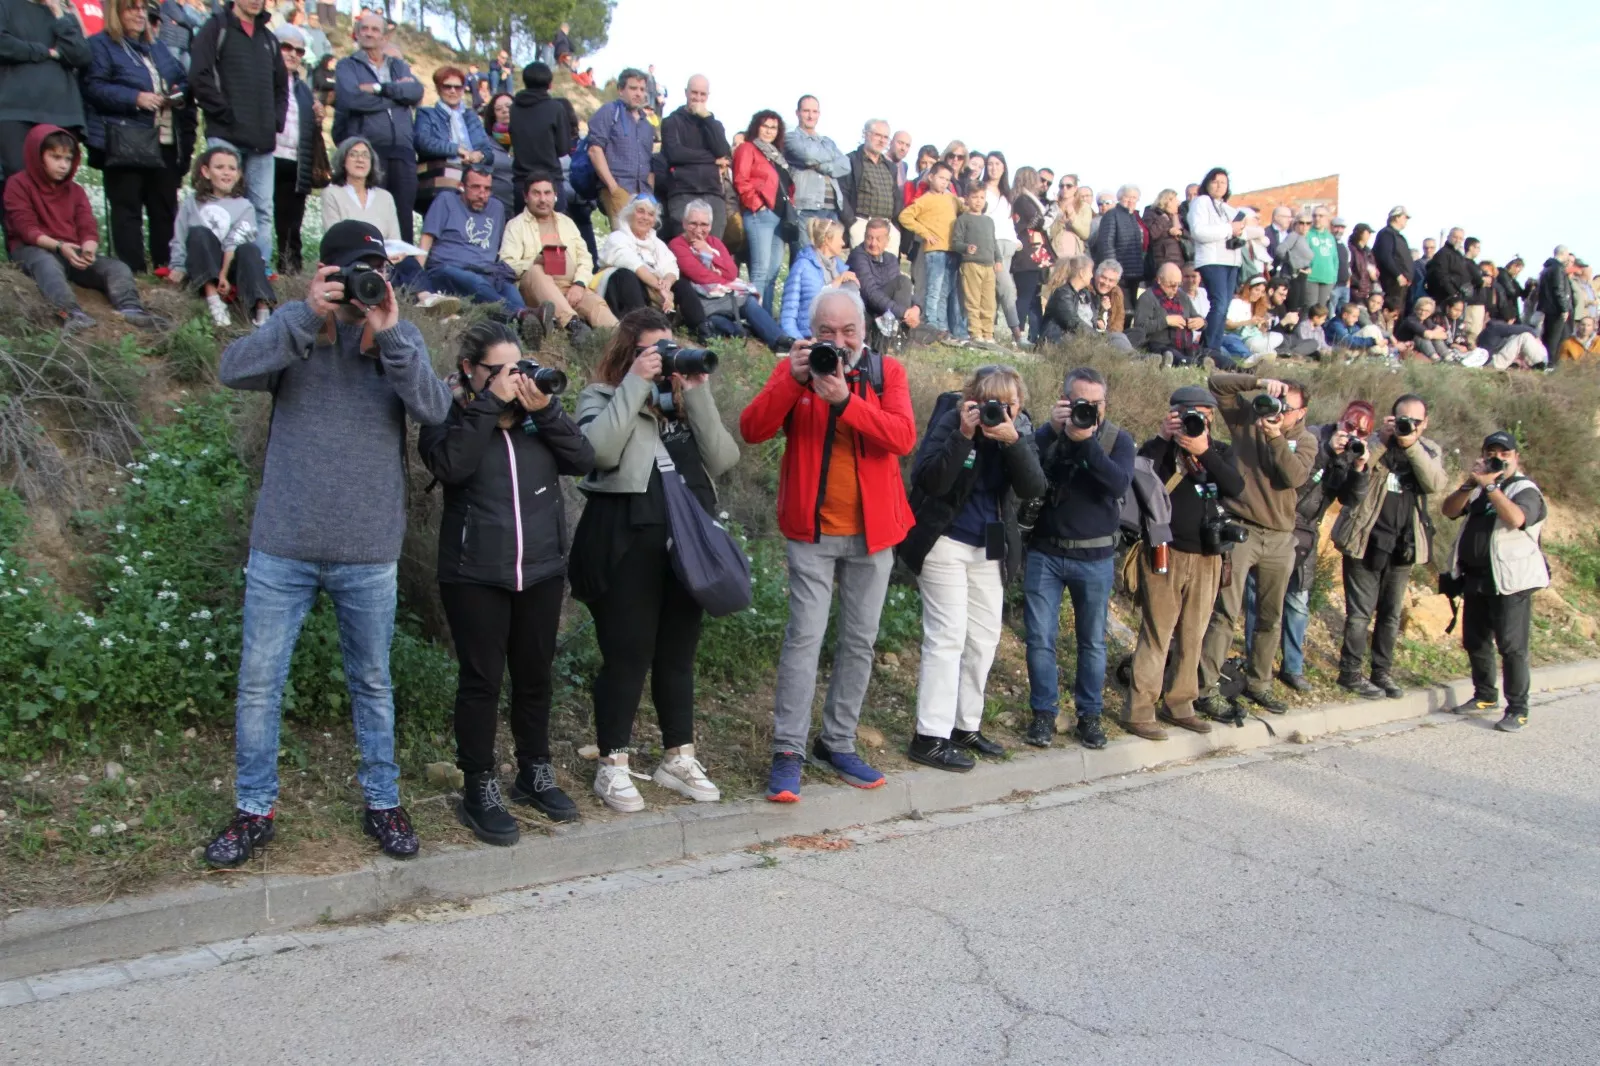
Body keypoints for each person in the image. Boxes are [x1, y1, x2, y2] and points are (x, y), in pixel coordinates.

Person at [203, 219, 452, 867]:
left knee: (371, 682)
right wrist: (301, 314)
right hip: (283, 544)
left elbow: (434, 409)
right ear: (328, 273)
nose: (371, 282)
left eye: (380, 271)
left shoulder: (396, 339)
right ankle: (254, 810)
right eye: (358, 271)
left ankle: (382, 801)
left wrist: (392, 330)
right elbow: (232, 369)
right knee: (260, 684)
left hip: (367, 549)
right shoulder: (296, 328)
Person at [418, 321, 593, 843]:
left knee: (535, 676)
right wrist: (487, 405)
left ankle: (533, 772)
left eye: (518, 368)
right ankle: (480, 785)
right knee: (482, 682)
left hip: (539, 569)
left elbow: (584, 460)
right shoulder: (446, 414)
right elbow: (451, 466)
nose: (513, 380)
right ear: (471, 371)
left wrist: (547, 410)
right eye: (500, 372)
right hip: (475, 573)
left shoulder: (534, 418)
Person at [739, 289, 916, 802]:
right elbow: (752, 430)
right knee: (804, 639)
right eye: (826, 333)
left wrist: (846, 402)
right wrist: (793, 384)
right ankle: (788, 750)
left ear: (863, 332)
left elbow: (902, 437)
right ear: (812, 332)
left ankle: (836, 742)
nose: (837, 343)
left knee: (859, 641)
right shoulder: (795, 373)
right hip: (812, 532)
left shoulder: (887, 374)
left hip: (873, 533)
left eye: (847, 333)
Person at [570, 308, 741, 811]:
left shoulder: (682, 403)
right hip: (626, 542)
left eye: (670, 347)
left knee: (677, 654)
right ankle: (613, 764)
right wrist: (634, 386)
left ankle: (677, 756)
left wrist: (698, 390)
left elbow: (724, 458)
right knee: (628, 653)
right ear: (630, 354)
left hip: (687, 545)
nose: (666, 358)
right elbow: (597, 451)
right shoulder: (600, 397)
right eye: (655, 350)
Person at [898, 365, 1046, 769]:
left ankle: (965, 725)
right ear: (973, 398)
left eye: (1009, 405)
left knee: (983, 639)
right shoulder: (952, 416)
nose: (998, 411)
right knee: (947, 638)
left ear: (1019, 405)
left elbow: (1034, 488)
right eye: (989, 403)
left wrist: (1013, 441)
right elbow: (928, 480)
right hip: (944, 540)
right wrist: (964, 436)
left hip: (989, 546)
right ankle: (929, 735)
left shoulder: (1021, 428)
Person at [1021, 366, 1135, 750]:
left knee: (1092, 643)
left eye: (1095, 403)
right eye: (1079, 402)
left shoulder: (1119, 439)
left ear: (1105, 404)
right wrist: (1050, 432)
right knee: (1039, 638)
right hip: (1045, 552)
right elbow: (1026, 471)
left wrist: (1085, 441)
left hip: (1096, 556)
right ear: (1064, 400)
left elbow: (1117, 483)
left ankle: (1090, 715)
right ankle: (1043, 715)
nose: (1088, 409)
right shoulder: (1049, 433)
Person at [1124, 385, 1244, 740]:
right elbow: (1140, 478)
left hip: (1207, 558)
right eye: (1188, 415)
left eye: (1203, 416)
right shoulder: (1157, 451)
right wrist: (1164, 439)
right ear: (1173, 416)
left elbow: (1234, 486)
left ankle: (1181, 704)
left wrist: (1204, 452)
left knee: (1193, 635)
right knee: (1157, 633)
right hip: (1165, 552)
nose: (1195, 422)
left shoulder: (1218, 451)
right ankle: (1139, 710)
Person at [1195, 374, 1315, 720]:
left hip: (1279, 537)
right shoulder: (1248, 418)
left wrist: (1276, 437)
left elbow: (1293, 477)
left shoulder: (1305, 441)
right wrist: (1258, 381)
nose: (1276, 410)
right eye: (1276, 401)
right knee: (1224, 614)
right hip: (1241, 528)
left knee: (1269, 617)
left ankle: (1259, 683)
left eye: (1286, 407)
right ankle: (1207, 687)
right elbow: (1217, 385)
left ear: (1301, 413)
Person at [1328, 395, 1447, 700]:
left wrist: (1411, 445)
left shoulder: (1429, 450)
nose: (1409, 426)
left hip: (1403, 545)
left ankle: (1382, 671)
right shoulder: (1375, 444)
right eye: (1402, 420)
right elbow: (1358, 468)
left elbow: (1434, 483)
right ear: (1390, 419)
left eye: (1415, 422)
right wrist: (1383, 439)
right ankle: (1350, 673)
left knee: (1390, 615)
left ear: (1425, 424)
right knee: (1359, 615)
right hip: (1364, 538)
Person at [4, 123, 162, 331]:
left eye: (68, 159)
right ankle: (71, 313)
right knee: (47, 265)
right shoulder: (18, 184)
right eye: (56, 157)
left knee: (117, 267)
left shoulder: (75, 191)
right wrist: (61, 247)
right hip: (32, 250)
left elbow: (86, 224)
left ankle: (131, 310)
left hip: (72, 252)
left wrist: (88, 247)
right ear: (37, 155)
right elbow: (27, 229)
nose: (63, 165)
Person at [1441, 432, 1550, 732]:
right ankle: (1485, 696)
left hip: (1511, 581)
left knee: (1512, 646)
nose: (1498, 458)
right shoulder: (1478, 487)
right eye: (1492, 452)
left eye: (1505, 454)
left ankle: (1518, 708)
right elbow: (1449, 510)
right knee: (1475, 640)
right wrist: (1469, 483)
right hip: (1477, 577)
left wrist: (1491, 486)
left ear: (1516, 457)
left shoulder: (1525, 490)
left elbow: (1516, 519)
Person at [81, 0, 192, 274]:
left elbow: (183, 79)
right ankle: (132, 272)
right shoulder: (101, 45)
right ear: (116, 13)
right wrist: (135, 98)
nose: (141, 14)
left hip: (163, 139)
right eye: (132, 8)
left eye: (144, 9)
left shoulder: (157, 48)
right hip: (125, 138)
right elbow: (93, 87)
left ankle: (164, 270)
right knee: (127, 209)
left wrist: (177, 93)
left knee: (164, 208)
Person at [188, 0, 286, 267]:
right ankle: (214, 270)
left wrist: (275, 121)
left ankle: (260, 270)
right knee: (219, 204)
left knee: (262, 210)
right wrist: (225, 113)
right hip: (226, 137)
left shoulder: (269, 39)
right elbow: (199, 75)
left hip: (263, 142)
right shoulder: (215, 28)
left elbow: (281, 87)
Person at [332, 12, 422, 242]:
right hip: (370, 149)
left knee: (403, 214)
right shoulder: (347, 65)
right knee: (371, 213)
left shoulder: (399, 66)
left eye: (375, 29)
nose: (369, 33)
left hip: (402, 149)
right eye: (365, 29)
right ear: (357, 33)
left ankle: (404, 269)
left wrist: (378, 89)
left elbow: (416, 92)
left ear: (384, 37)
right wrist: (397, 95)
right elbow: (350, 99)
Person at [499, 171, 617, 341]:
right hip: (536, 288)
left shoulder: (566, 222)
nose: (542, 199)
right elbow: (506, 265)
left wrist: (579, 284)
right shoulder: (515, 226)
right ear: (526, 197)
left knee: (597, 308)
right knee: (535, 270)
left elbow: (585, 257)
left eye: (547, 193)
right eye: (536, 193)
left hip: (570, 287)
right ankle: (573, 325)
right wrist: (536, 260)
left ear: (555, 196)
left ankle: (624, 342)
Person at [167, 144, 275, 327]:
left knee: (250, 249)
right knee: (198, 232)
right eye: (219, 167)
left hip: (231, 262)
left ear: (239, 174)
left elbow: (235, 241)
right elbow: (180, 235)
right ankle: (214, 300)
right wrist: (177, 265)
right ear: (206, 172)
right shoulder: (192, 203)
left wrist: (224, 274)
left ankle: (262, 311)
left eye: (232, 168)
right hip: (203, 261)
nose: (226, 173)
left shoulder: (245, 206)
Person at [668, 198, 793, 349]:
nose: (698, 229)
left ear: (711, 225)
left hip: (728, 296)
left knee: (749, 302)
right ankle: (747, 332)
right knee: (720, 322)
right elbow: (699, 276)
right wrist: (722, 276)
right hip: (703, 301)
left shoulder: (714, 243)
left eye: (704, 224)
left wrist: (709, 253)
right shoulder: (677, 245)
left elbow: (732, 272)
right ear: (684, 223)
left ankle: (779, 339)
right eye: (693, 223)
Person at [419, 166, 533, 322]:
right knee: (476, 283)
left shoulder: (496, 208)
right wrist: (418, 278)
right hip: (448, 268)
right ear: (462, 187)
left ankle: (522, 321)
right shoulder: (446, 200)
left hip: (488, 273)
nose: (482, 194)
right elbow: (426, 238)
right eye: (475, 187)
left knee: (511, 293)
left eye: (487, 189)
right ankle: (522, 316)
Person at [0, 0, 89, 190]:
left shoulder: (63, 15)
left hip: (61, 112)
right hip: (15, 111)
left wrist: (58, 12)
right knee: (18, 182)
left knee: (55, 187)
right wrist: (46, 52)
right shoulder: (6, 5)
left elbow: (81, 55)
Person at [268, 24, 320, 275]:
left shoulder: (304, 90)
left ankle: (290, 274)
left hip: (296, 163)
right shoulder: (263, 79)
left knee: (291, 225)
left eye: (299, 51)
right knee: (262, 217)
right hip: (267, 156)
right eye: (286, 47)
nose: (292, 54)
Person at [413, 65, 492, 220]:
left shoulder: (471, 116)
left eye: (458, 87)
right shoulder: (427, 114)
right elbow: (422, 142)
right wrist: (455, 149)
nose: (453, 91)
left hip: (471, 182)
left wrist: (479, 155)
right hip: (439, 184)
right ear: (438, 88)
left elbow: (488, 152)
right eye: (447, 86)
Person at [659, 73, 730, 240]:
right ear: (686, 92)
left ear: (708, 96)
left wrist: (707, 119)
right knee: (685, 247)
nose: (698, 98)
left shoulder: (714, 125)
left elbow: (722, 151)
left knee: (712, 248)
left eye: (702, 94)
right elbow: (675, 154)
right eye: (694, 92)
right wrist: (712, 159)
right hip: (683, 191)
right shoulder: (671, 122)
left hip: (712, 192)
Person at [730, 109, 788, 310]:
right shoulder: (747, 148)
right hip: (760, 215)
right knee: (760, 271)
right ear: (756, 126)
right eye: (765, 126)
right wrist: (757, 205)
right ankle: (754, 317)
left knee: (773, 271)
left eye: (774, 127)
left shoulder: (776, 155)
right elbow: (741, 180)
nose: (769, 131)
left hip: (779, 216)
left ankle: (767, 318)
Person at [1188, 167, 1247, 348]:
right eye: (1215, 181)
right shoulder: (1201, 202)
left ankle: (1215, 347)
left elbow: (1241, 230)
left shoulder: (1227, 207)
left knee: (1224, 307)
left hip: (1231, 261)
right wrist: (1229, 229)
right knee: (1219, 304)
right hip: (1212, 260)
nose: (1220, 186)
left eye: (1224, 182)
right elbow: (1198, 231)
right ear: (1207, 183)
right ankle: (1207, 348)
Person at [586, 67, 655, 223]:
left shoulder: (647, 124)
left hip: (643, 192)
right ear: (620, 90)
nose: (638, 93)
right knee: (624, 239)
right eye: (633, 88)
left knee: (644, 242)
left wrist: (650, 193)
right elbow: (594, 150)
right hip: (619, 186)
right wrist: (613, 187)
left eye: (642, 89)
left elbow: (649, 162)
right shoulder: (610, 112)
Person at [897, 161, 958, 335]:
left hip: (951, 250)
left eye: (947, 180)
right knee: (934, 289)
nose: (944, 182)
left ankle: (941, 325)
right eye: (941, 178)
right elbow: (905, 216)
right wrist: (924, 232)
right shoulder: (924, 200)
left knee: (945, 290)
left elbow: (963, 209)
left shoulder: (951, 198)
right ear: (931, 177)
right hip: (934, 251)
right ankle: (931, 324)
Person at [595, 194, 677, 318]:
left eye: (650, 214)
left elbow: (671, 266)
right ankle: (641, 321)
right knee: (626, 275)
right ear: (629, 213)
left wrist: (667, 282)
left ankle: (702, 327)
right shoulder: (618, 237)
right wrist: (660, 287)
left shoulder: (657, 243)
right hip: (620, 294)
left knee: (681, 285)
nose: (645, 217)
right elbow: (634, 264)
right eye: (640, 211)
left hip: (652, 291)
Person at [782, 94, 849, 244]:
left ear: (819, 114)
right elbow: (808, 155)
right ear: (797, 113)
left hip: (831, 209)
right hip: (806, 207)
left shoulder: (827, 141)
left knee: (828, 259)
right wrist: (831, 158)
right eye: (806, 111)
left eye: (814, 111)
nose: (810, 116)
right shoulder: (791, 138)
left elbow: (845, 166)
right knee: (805, 255)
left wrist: (819, 165)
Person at [847, 216, 919, 348]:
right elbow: (870, 294)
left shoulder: (890, 259)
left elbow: (901, 293)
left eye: (878, 239)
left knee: (903, 281)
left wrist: (916, 308)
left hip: (885, 311)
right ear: (864, 236)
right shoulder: (858, 256)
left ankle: (897, 339)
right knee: (901, 282)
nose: (873, 243)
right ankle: (894, 339)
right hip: (865, 311)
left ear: (887, 240)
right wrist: (904, 312)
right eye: (869, 237)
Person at [780, 216, 855, 341]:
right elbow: (789, 309)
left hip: (838, 337)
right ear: (827, 240)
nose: (843, 243)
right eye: (840, 238)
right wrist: (797, 340)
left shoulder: (841, 268)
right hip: (810, 336)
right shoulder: (803, 266)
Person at [508, 61, 571, 196]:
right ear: (549, 84)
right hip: (549, 182)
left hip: (522, 182)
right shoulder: (555, 108)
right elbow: (563, 148)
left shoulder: (514, 108)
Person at [840, 117, 902, 254]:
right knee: (863, 271)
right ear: (865, 134)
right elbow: (841, 193)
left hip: (887, 226)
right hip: (862, 224)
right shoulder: (851, 160)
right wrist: (852, 224)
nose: (882, 140)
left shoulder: (890, 166)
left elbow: (896, 196)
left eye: (885, 137)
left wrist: (895, 226)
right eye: (877, 135)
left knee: (890, 272)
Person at [1130, 261, 1207, 365]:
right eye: (1171, 285)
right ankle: (1198, 364)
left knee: (1214, 354)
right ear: (1159, 280)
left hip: (1186, 344)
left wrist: (1201, 322)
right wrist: (1166, 321)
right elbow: (1139, 327)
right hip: (1159, 344)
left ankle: (1231, 369)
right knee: (1176, 356)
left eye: (1178, 284)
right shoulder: (1147, 298)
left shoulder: (1182, 296)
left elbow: (1196, 317)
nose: (1175, 288)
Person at [952, 184, 1001, 346]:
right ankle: (975, 333)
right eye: (974, 197)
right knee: (973, 301)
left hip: (989, 266)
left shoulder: (989, 221)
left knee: (989, 302)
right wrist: (966, 248)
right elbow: (955, 243)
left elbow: (994, 242)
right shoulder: (963, 219)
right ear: (967, 199)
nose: (978, 201)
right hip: (971, 265)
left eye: (981, 197)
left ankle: (988, 333)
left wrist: (998, 259)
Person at [1009, 165, 1050, 345]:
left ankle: (1020, 333)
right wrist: (1052, 216)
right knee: (1025, 295)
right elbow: (1036, 221)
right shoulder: (1024, 200)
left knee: (1027, 294)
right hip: (1028, 254)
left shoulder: (1016, 199)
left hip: (1026, 252)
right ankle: (1017, 334)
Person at [1092, 183, 1146, 312]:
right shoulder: (1112, 215)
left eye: (1134, 198)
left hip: (1134, 272)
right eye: (1127, 197)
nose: (1131, 200)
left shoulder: (1132, 216)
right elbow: (1107, 243)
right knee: (1119, 306)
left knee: (1130, 308)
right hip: (1119, 272)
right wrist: (1112, 269)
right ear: (1120, 198)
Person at [1041, 253, 1096, 343]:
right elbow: (1073, 322)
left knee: (1119, 337)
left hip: (1079, 339)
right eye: (1090, 271)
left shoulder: (1084, 293)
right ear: (1082, 273)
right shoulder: (1062, 294)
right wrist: (1099, 338)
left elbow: (1091, 320)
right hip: (1058, 341)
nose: (1092, 275)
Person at [1537, 245, 1575, 360]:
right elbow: (1558, 289)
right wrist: (1564, 308)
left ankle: (1548, 362)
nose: (1568, 258)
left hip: (1547, 308)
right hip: (1556, 309)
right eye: (1567, 255)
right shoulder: (1557, 268)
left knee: (1549, 337)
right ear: (1563, 253)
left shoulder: (1547, 268)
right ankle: (1551, 363)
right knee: (1555, 339)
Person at [1373, 205, 1414, 312]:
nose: (1406, 221)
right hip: (1392, 283)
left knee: (1399, 312)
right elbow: (1385, 256)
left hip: (1401, 285)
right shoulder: (1386, 234)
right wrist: (1398, 275)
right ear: (1396, 217)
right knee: (1392, 311)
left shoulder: (1397, 236)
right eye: (1405, 217)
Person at [479, 91, 514, 214]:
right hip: (496, 210)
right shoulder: (485, 143)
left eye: (509, 106)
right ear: (494, 115)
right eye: (499, 109)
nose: (505, 110)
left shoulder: (529, 139)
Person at [1142, 189, 1186, 282]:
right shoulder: (1151, 214)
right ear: (1167, 201)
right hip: (1161, 260)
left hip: (1180, 261)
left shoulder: (1178, 216)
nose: (1178, 203)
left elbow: (1188, 235)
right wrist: (1167, 229)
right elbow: (1150, 235)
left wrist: (1181, 233)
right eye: (1175, 200)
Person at [1304, 206, 1339, 311]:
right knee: (1310, 310)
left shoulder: (1330, 237)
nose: (1317, 218)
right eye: (1314, 216)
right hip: (1311, 278)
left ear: (1327, 218)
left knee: (1321, 311)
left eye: (1321, 216)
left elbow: (1335, 258)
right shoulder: (1308, 234)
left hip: (1327, 279)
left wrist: (1334, 277)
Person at [1491, 256, 1525, 323]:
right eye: (1518, 269)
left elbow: (1522, 294)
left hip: (1509, 310)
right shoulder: (1502, 274)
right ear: (1513, 266)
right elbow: (1510, 292)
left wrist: (1529, 286)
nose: (1518, 272)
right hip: (1503, 310)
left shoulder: (1513, 281)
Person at [1329, 216, 1351, 314]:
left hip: (1345, 285)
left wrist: (1348, 280)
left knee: (1344, 314)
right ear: (1331, 227)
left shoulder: (1344, 246)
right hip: (1333, 285)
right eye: (1336, 227)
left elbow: (1348, 264)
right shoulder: (1328, 243)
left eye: (1342, 227)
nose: (1339, 230)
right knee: (1331, 313)